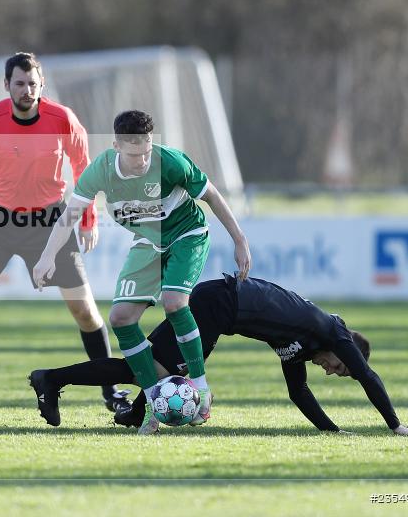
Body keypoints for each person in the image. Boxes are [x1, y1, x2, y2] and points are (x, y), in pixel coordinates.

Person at [32, 110, 251, 433]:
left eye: (146, 151)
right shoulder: (101, 171)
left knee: (175, 302)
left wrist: (239, 239)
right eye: (134, 155)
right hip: (149, 243)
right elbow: (70, 215)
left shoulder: (171, 162)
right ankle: (152, 403)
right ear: (117, 146)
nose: (141, 161)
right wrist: (47, 256)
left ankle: (200, 389)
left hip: (187, 235)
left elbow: (212, 196)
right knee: (120, 318)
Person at [0, 52, 128, 415]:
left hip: (50, 222)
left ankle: (112, 391)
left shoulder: (63, 119)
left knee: (84, 311)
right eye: (19, 83)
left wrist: (88, 219)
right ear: (6, 84)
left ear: (42, 84)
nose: (27, 90)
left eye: (33, 83)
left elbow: (83, 169)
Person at [28, 274, 408, 437]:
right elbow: (368, 376)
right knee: (151, 369)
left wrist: (331, 433)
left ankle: (127, 412)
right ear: (344, 350)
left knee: (147, 367)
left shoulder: (300, 346)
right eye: (338, 367)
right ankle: (53, 379)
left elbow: (299, 394)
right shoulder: (330, 330)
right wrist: (395, 425)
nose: (332, 371)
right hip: (218, 304)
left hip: (217, 308)